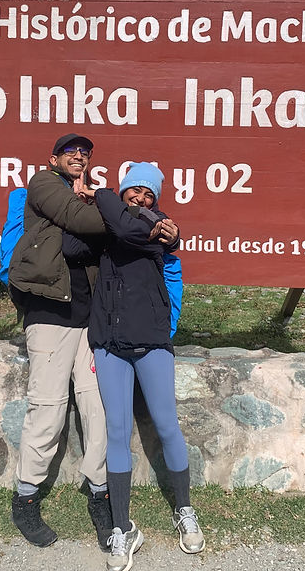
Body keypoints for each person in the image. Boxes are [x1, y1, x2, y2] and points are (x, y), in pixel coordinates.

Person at [88, 162, 205, 571]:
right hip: (109, 344)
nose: (140, 197)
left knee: (167, 425)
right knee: (117, 433)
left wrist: (99, 194)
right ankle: (122, 529)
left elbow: (142, 232)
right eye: (134, 190)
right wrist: (97, 201)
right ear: (123, 192)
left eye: (149, 193)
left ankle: (185, 510)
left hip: (152, 341)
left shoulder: (158, 228)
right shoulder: (105, 227)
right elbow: (80, 245)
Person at [7, 132, 113, 550]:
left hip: (89, 321)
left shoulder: (82, 197)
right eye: (71, 152)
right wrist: (107, 205)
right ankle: (26, 496)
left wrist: (97, 206)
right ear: (54, 159)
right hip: (50, 315)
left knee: (97, 407)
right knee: (48, 410)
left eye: (85, 153)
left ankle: (100, 491)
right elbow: (87, 225)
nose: (80, 156)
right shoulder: (43, 184)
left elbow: (93, 234)